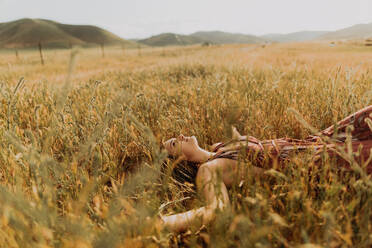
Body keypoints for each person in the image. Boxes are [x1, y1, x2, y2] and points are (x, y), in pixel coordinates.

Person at [161, 105, 372, 232]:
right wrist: (160, 224)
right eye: (174, 143)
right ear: (180, 160)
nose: (179, 136)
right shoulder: (210, 169)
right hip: (309, 161)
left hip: (314, 141)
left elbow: (239, 139)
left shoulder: (220, 148)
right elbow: (216, 210)